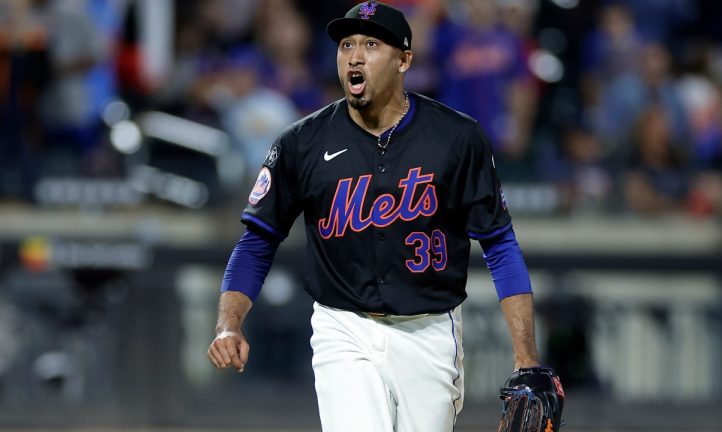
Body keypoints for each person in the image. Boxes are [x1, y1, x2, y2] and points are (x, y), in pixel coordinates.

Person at [207, 2, 552, 431]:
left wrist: (526, 358)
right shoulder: (302, 142)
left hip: (429, 331)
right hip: (343, 325)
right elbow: (257, 240)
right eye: (346, 44)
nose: (354, 55)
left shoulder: (457, 138)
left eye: (371, 44)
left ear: (404, 59)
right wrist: (228, 324)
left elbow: (499, 244)